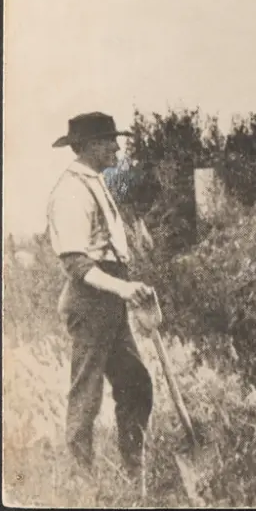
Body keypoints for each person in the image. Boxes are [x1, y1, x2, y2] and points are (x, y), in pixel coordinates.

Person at [46, 112, 159, 483]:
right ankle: (81, 482)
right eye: (110, 140)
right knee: (87, 393)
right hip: (89, 299)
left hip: (109, 300)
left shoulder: (94, 182)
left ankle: (133, 472)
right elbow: (76, 264)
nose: (117, 147)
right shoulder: (70, 191)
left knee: (136, 383)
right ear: (90, 145)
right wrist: (123, 288)